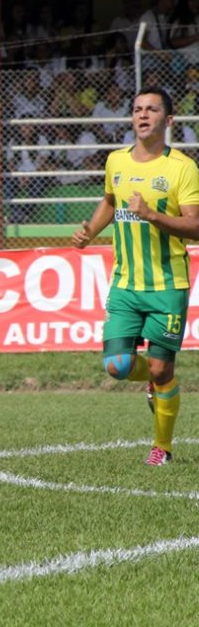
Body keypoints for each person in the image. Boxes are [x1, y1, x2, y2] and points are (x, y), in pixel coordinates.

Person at [71, 88, 199, 466]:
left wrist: (152, 215)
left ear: (169, 120)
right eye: (138, 109)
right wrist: (90, 232)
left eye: (152, 109)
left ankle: (162, 447)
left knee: (162, 369)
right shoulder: (116, 160)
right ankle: (152, 383)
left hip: (167, 286)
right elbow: (110, 202)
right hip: (125, 283)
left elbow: (195, 226)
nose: (143, 115)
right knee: (117, 366)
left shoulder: (182, 168)